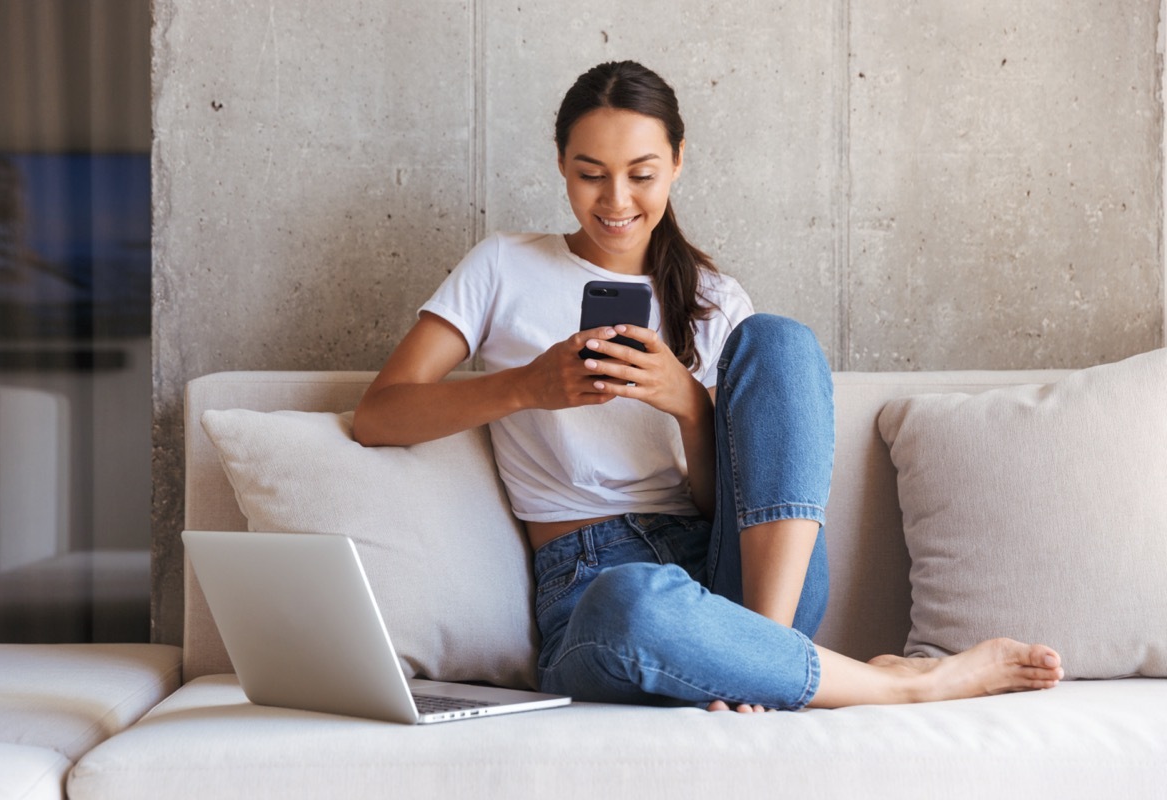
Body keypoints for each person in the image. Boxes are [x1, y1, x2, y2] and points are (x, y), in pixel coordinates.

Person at [353, 60, 1063, 712]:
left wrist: (688, 405)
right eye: (590, 173)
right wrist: (529, 386)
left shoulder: (718, 300)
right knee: (632, 599)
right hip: (595, 590)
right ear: (562, 166)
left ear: (678, 162)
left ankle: (758, 655)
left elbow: (736, 499)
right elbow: (379, 416)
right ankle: (892, 682)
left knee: (782, 340)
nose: (616, 200)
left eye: (642, 172)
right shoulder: (503, 265)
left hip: (748, 583)